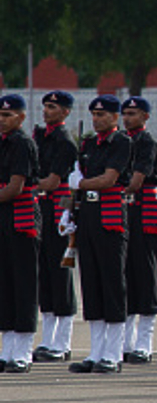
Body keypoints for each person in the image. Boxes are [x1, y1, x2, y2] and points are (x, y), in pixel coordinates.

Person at [68, 95, 132, 374]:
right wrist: (69, 212)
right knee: (91, 281)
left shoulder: (121, 142)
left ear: (115, 117)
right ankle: (96, 351)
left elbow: (109, 179)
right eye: (94, 113)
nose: (97, 118)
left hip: (110, 215)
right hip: (89, 214)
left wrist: (79, 182)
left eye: (103, 114)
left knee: (111, 281)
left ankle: (113, 353)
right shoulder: (89, 144)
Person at [117, 97, 157, 365]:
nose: (127, 118)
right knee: (125, 274)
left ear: (145, 116)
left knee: (145, 274)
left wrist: (103, 185)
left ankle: (144, 342)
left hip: (142, 211)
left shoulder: (148, 145)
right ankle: (126, 340)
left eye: (133, 113)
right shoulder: (120, 141)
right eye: (124, 113)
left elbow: (135, 182)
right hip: (122, 211)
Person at [33, 91, 77, 363]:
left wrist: (23, 184)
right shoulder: (40, 138)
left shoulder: (64, 142)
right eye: (45, 106)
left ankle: (63, 341)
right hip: (41, 209)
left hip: (57, 210)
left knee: (60, 273)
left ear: (65, 112)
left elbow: (50, 182)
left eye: (52, 107)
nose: (46, 111)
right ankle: (48, 338)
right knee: (45, 275)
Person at [0, 95, 39, 373]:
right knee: (4, 283)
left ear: (21, 118)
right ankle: (6, 348)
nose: (2, 120)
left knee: (24, 282)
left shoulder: (23, 144)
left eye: (8, 115)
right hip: (3, 217)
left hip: (21, 218)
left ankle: (23, 351)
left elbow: (15, 187)